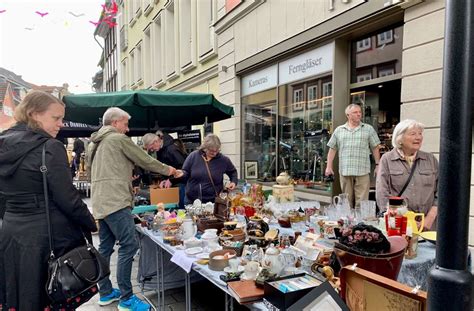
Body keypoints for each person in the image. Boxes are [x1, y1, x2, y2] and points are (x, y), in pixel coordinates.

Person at [0, 90, 97, 310]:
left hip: (11, 234)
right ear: (34, 114)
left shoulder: (2, 143)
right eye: (56, 118)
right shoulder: (50, 147)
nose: (61, 124)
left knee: (20, 295)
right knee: (49, 294)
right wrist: (89, 223)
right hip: (46, 238)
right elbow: (68, 198)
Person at [88, 107, 182, 311]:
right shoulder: (117, 139)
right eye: (125, 124)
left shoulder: (94, 143)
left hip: (101, 201)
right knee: (129, 246)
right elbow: (145, 159)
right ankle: (127, 299)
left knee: (105, 248)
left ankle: (105, 293)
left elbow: (95, 171)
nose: (127, 129)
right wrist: (170, 170)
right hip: (116, 201)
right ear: (114, 123)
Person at [376, 119, 438, 230]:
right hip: (399, 225)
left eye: (420, 134)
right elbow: (382, 194)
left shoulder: (430, 159)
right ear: (400, 139)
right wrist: (403, 219)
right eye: (413, 134)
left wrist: (429, 219)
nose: (418, 137)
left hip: (428, 226)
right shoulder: (387, 159)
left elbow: (441, 192)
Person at [325, 104, 381, 208]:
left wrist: (378, 165)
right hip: (345, 170)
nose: (359, 114)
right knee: (346, 202)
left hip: (362, 170)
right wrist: (329, 167)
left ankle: (361, 223)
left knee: (362, 202)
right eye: (355, 112)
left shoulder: (368, 129)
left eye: (360, 112)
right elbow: (332, 149)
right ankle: (348, 223)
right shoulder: (339, 130)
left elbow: (375, 147)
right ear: (348, 115)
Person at [181, 134, 238, 204]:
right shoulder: (193, 156)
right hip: (192, 201)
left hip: (213, 202)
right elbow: (185, 172)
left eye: (217, 150)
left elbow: (233, 172)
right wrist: (180, 174)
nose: (214, 153)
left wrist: (233, 182)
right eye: (211, 151)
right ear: (205, 148)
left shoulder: (223, 160)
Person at [143, 131, 187, 208]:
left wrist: (171, 180)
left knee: (181, 209)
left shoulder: (171, 149)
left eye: (152, 148)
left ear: (156, 141)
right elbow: (163, 167)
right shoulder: (161, 150)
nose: (152, 150)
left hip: (180, 184)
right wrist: (164, 179)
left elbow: (183, 168)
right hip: (174, 184)